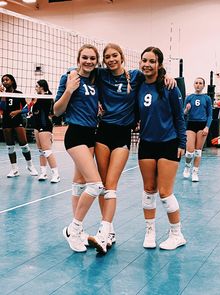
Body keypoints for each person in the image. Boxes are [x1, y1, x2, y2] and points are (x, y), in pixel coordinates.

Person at [87, 43, 176, 254]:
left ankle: (104, 231)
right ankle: (107, 230)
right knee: (101, 185)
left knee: (111, 184)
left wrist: (169, 76)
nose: (111, 59)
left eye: (114, 55)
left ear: (122, 57)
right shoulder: (100, 74)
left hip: (123, 135)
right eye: (107, 56)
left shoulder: (135, 76)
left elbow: (154, 73)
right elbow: (83, 70)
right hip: (103, 132)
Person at [54, 44, 103, 252]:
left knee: (80, 183)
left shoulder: (96, 80)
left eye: (93, 58)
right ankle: (72, 230)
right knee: (96, 185)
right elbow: (57, 111)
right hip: (75, 134)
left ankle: (79, 230)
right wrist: (68, 91)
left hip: (91, 133)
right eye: (85, 57)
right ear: (78, 58)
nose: (89, 61)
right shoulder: (70, 78)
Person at [136, 46, 186, 250]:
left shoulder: (170, 87)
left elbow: (179, 117)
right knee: (149, 190)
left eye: (151, 61)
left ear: (159, 64)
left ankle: (177, 234)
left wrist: (182, 143)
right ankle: (150, 232)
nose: (147, 65)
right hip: (146, 143)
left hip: (168, 143)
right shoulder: (138, 84)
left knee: (165, 192)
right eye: (144, 61)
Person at [0, 74, 38, 178]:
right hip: (6, 122)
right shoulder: (2, 94)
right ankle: (14, 169)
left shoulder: (19, 93)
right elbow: (2, 107)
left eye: (7, 80)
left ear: (12, 81)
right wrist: (3, 94)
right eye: (3, 80)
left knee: (24, 144)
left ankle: (30, 166)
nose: (4, 82)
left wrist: (17, 111)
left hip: (18, 121)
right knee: (10, 147)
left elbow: (26, 109)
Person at [30, 79, 60, 183]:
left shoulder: (47, 97)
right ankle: (43, 173)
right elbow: (33, 110)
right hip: (36, 125)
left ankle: (56, 174)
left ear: (42, 87)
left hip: (45, 125)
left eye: (37, 86)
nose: (35, 88)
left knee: (47, 151)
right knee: (41, 151)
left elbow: (50, 111)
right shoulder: (36, 97)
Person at [183, 77, 212, 182]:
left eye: (200, 83)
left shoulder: (207, 98)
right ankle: (187, 166)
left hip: (202, 125)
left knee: (198, 151)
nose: (198, 85)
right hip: (191, 125)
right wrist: (186, 109)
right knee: (190, 152)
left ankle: (195, 172)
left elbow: (210, 115)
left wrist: (207, 127)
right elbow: (183, 114)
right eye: (196, 83)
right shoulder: (189, 97)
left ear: (203, 85)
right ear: (194, 85)